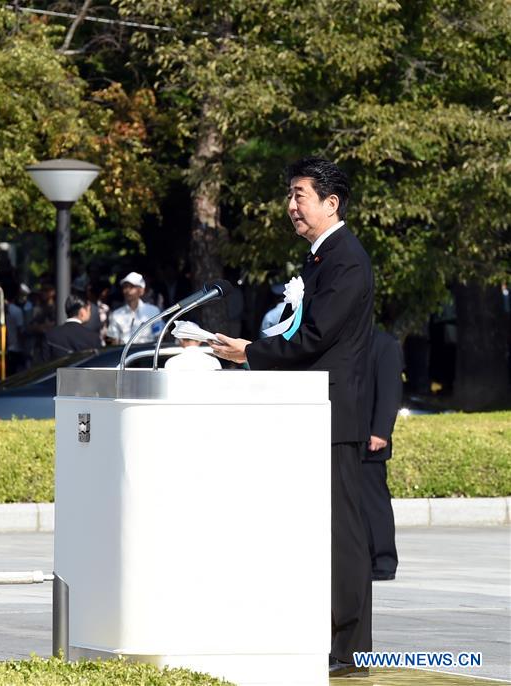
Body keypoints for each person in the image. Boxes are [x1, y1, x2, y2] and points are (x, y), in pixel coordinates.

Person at [210, 157, 374, 677]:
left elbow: (316, 336)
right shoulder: (319, 259)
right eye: (290, 195)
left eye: (299, 195)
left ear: (332, 203)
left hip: (333, 414)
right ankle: (323, 638)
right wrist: (253, 348)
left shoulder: (345, 259)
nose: (291, 206)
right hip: (309, 411)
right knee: (319, 531)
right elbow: (300, 331)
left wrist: (251, 352)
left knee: (342, 534)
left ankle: (352, 650)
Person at [363, 329, 403, 581]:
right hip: (349, 433)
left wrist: (381, 431)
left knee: (374, 503)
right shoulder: (344, 338)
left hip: (371, 438)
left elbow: (390, 392)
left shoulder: (384, 343)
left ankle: (384, 560)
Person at [38, 293, 102, 363]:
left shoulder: (50, 335)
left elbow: (43, 366)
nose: (90, 313)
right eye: (89, 310)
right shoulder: (93, 337)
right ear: (82, 311)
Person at [106, 272, 162, 345]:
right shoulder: (116, 314)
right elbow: (113, 342)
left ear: (141, 291)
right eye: (125, 287)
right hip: (125, 355)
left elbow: (160, 336)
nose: (127, 290)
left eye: (132, 287)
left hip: (149, 353)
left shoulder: (154, 311)